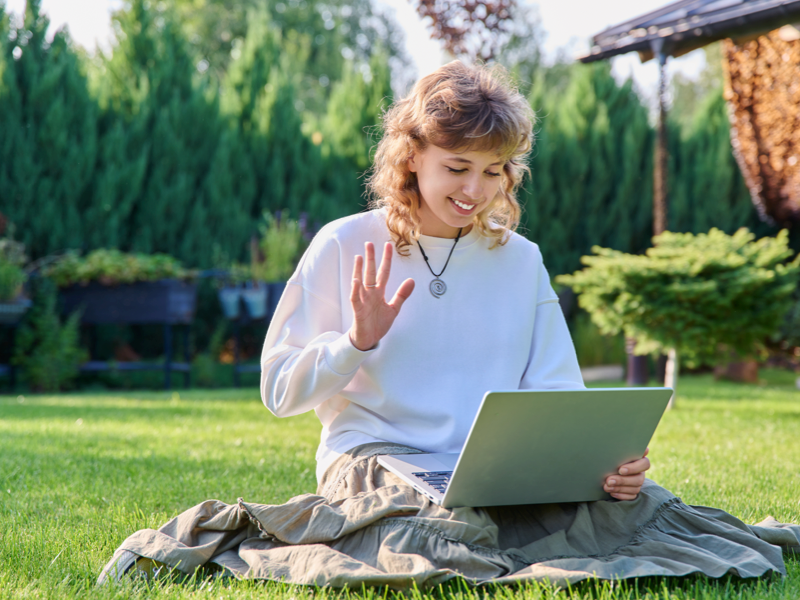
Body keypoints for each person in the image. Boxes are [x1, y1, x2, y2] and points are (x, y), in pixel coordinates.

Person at [99, 61, 798, 588]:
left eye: (495, 172)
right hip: (380, 465)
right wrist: (356, 342)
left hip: (494, 471)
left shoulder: (519, 260)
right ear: (412, 159)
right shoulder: (346, 243)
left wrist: (601, 467)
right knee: (425, 540)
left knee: (641, 511)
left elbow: (556, 389)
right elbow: (280, 390)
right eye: (457, 167)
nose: (475, 190)